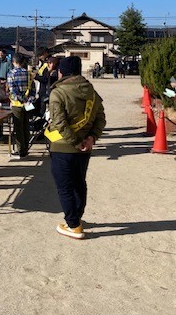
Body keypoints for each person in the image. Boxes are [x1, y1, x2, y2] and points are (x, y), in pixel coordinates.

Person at [46, 56, 106, 239]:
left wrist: (75, 142)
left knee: (65, 187)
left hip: (62, 146)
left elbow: (59, 123)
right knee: (79, 183)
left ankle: (73, 225)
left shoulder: (58, 93)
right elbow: (101, 119)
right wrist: (91, 138)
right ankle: (77, 217)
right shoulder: (91, 92)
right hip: (85, 148)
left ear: (61, 72)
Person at [7, 53, 35, 159]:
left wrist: (20, 99)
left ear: (14, 62)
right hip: (28, 104)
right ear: (23, 62)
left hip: (17, 104)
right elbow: (33, 89)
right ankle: (26, 148)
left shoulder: (11, 73)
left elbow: (13, 90)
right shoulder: (29, 74)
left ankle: (21, 151)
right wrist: (28, 100)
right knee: (26, 127)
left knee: (18, 128)